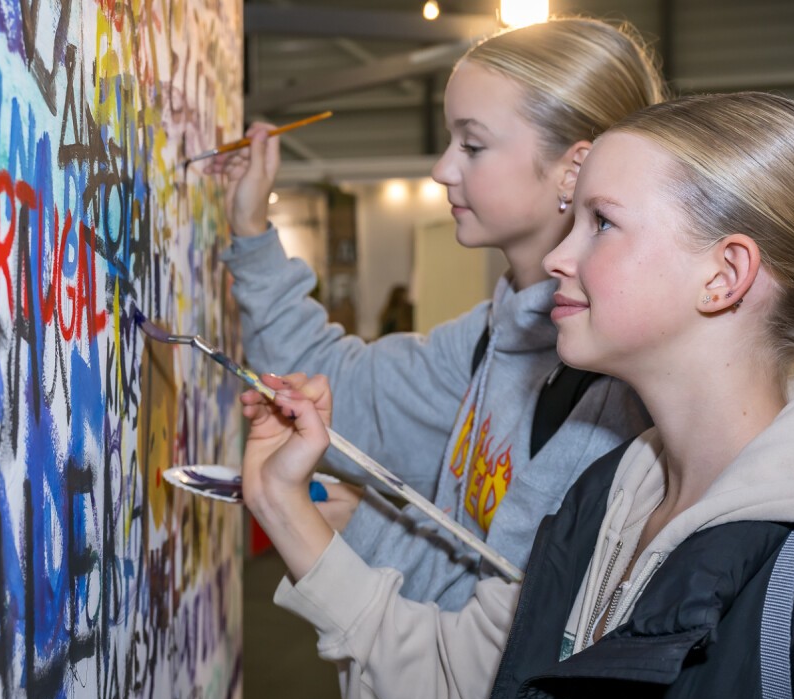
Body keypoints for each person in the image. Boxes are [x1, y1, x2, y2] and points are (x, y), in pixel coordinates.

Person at [242, 91, 794, 699]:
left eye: (602, 223)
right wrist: (284, 503)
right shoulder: (600, 500)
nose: (556, 258)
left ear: (723, 275)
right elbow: (460, 689)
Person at [212, 18, 664, 611]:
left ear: (573, 171)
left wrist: (354, 527)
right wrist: (249, 230)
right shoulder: (492, 338)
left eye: (472, 145)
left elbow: (508, 634)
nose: (442, 169)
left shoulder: (611, 397)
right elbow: (339, 389)